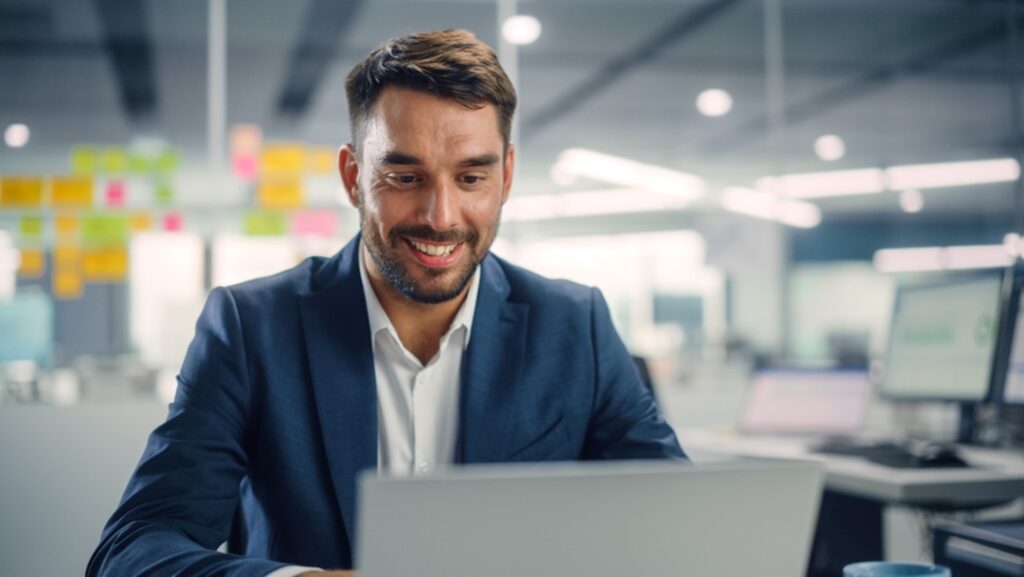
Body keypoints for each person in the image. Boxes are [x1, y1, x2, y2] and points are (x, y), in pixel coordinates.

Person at [86, 29, 685, 577]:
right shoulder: (252, 328)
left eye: (471, 178)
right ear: (353, 178)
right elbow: (134, 549)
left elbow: (678, 524)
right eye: (405, 177)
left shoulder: (574, 326)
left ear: (506, 175)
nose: (441, 217)